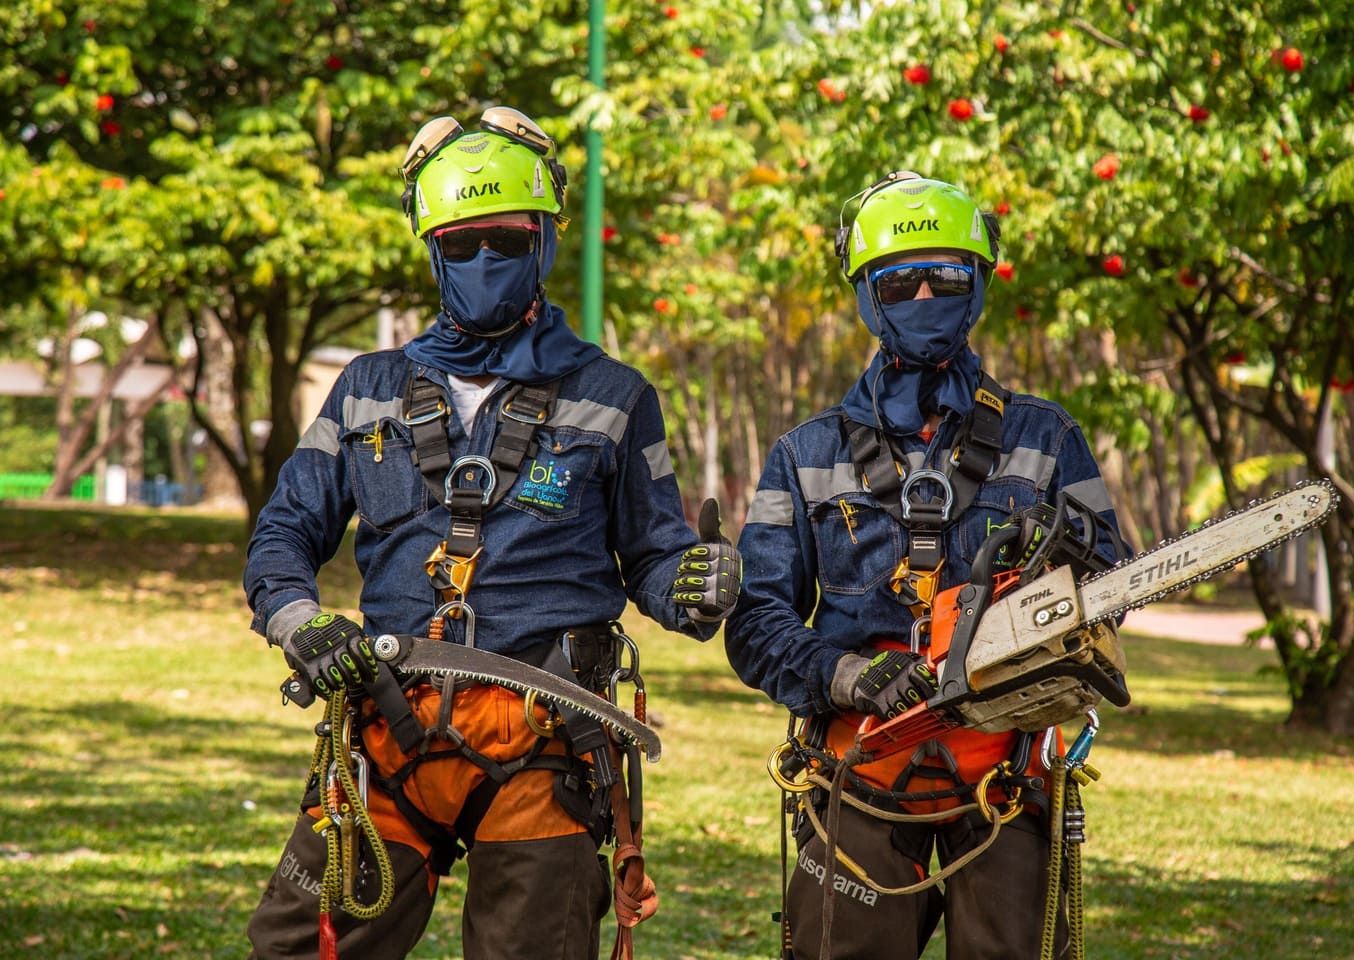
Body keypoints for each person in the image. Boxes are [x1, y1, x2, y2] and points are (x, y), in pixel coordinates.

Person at [241, 106, 740, 960]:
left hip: (546, 742)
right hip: (386, 729)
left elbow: (656, 557)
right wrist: (301, 621)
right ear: (433, 248)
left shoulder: (613, 396)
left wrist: (691, 588)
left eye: (505, 243)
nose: (483, 262)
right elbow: (284, 531)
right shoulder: (366, 388)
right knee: (296, 948)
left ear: (544, 241)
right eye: (462, 243)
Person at [725, 171, 1126, 959]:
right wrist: (846, 675)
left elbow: (1109, 584)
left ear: (978, 284)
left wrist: (1049, 577)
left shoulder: (1046, 440)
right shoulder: (805, 454)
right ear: (865, 292)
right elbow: (756, 619)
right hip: (860, 773)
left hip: (1007, 780)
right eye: (898, 280)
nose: (922, 296)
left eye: (945, 276)